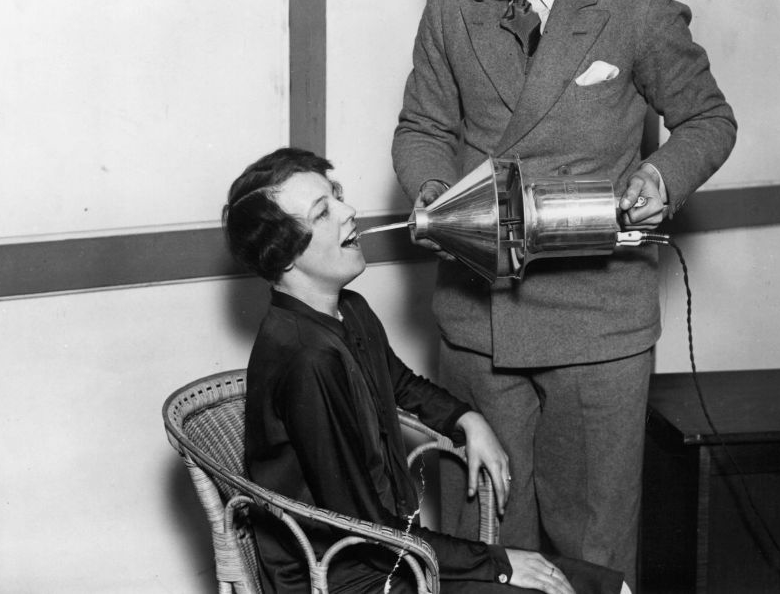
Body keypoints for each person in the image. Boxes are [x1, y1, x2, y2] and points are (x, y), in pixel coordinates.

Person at [391, 0, 737, 588]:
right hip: (478, 318)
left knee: (593, 551)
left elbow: (710, 119)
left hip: (596, 323)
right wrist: (427, 187)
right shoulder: (451, 3)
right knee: (485, 547)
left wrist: (664, 175)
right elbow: (423, 126)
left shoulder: (633, 1)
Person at [222, 147, 626, 594]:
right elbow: (364, 528)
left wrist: (465, 419)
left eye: (336, 194)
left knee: (599, 585)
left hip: (388, 552)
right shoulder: (306, 358)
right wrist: (498, 562)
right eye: (323, 212)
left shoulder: (347, 311)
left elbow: (398, 383)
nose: (348, 210)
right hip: (346, 576)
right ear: (282, 256)